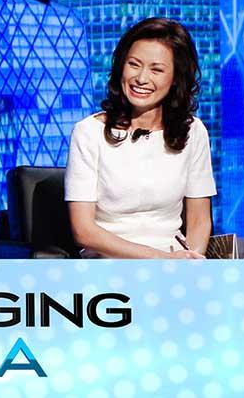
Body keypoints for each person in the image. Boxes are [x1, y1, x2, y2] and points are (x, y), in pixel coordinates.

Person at [65, 18, 216, 258]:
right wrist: (161, 259)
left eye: (156, 70)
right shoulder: (88, 132)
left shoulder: (193, 131)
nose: (142, 78)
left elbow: (199, 220)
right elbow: (84, 231)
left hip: (176, 263)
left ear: (176, 78)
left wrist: (191, 262)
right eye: (134, 65)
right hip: (107, 263)